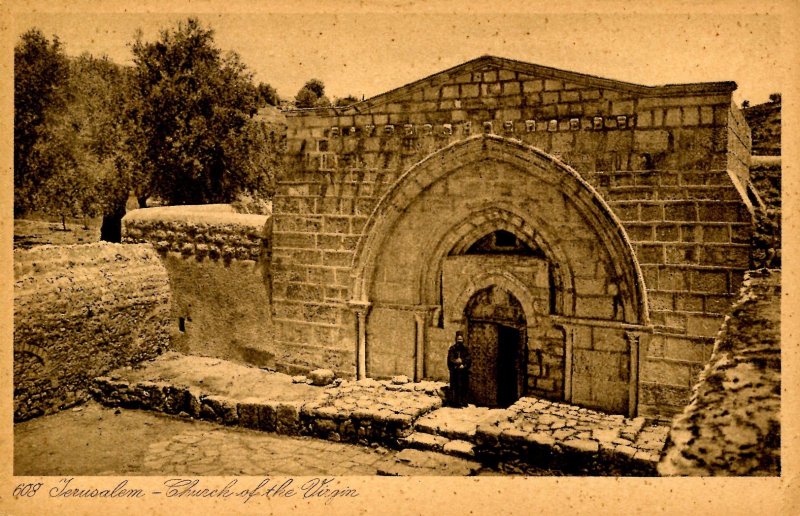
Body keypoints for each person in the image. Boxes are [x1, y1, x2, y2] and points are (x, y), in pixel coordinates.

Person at [447, 331, 471, 408]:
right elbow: (450, 359)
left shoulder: (466, 349)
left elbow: (468, 359)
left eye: (461, 340)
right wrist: (456, 363)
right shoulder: (452, 349)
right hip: (455, 372)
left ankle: (463, 402)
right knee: (455, 386)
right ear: (456, 340)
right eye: (458, 340)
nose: (459, 341)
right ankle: (455, 403)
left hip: (463, 372)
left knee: (464, 387)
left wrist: (463, 365)